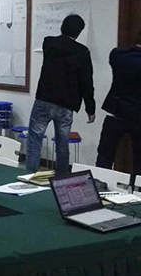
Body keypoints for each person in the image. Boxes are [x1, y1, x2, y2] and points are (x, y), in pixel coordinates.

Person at [26, 14, 95, 175]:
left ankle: (29, 177)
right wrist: (90, 108)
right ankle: (62, 179)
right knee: (62, 145)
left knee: (34, 141)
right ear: (79, 32)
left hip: (44, 100)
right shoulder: (82, 52)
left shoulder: (49, 43)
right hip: (67, 105)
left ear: (62, 27)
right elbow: (86, 82)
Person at [96, 29, 141, 174]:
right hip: (138, 115)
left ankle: (101, 183)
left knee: (105, 155)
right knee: (139, 161)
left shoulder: (117, 55)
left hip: (116, 111)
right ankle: (136, 187)